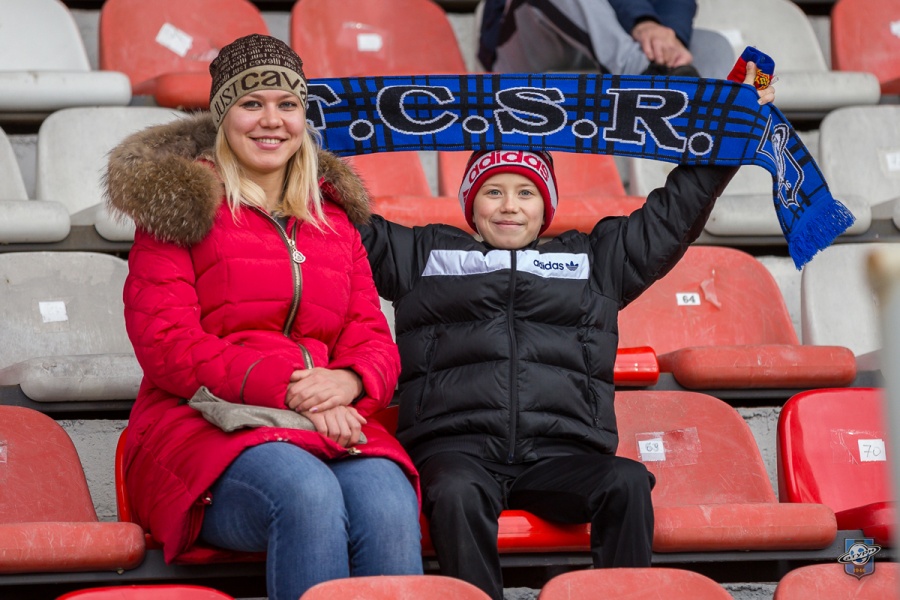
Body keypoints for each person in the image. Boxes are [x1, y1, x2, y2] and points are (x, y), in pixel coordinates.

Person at [344, 65, 775, 600]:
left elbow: (672, 216)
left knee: (626, 481)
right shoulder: (421, 255)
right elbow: (337, 219)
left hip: (561, 457)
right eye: (493, 191)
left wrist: (728, 121)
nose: (509, 205)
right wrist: (296, 154)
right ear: (471, 203)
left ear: (545, 205)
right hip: (456, 453)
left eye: (525, 192)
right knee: (455, 493)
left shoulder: (593, 261)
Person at [103, 34, 422, 600]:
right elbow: (167, 344)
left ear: (303, 116)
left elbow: (371, 334)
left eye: (287, 104)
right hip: (201, 427)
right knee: (306, 493)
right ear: (223, 116)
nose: (271, 121)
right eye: (251, 103)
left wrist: (349, 381)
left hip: (326, 423)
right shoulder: (181, 210)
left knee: (388, 499)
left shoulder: (333, 220)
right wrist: (297, 389)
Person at [479, 0, 699, 77]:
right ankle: (642, 76)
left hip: (618, 35)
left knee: (710, 46)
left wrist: (671, 39)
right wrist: (643, 21)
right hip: (527, 43)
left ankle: (665, 71)